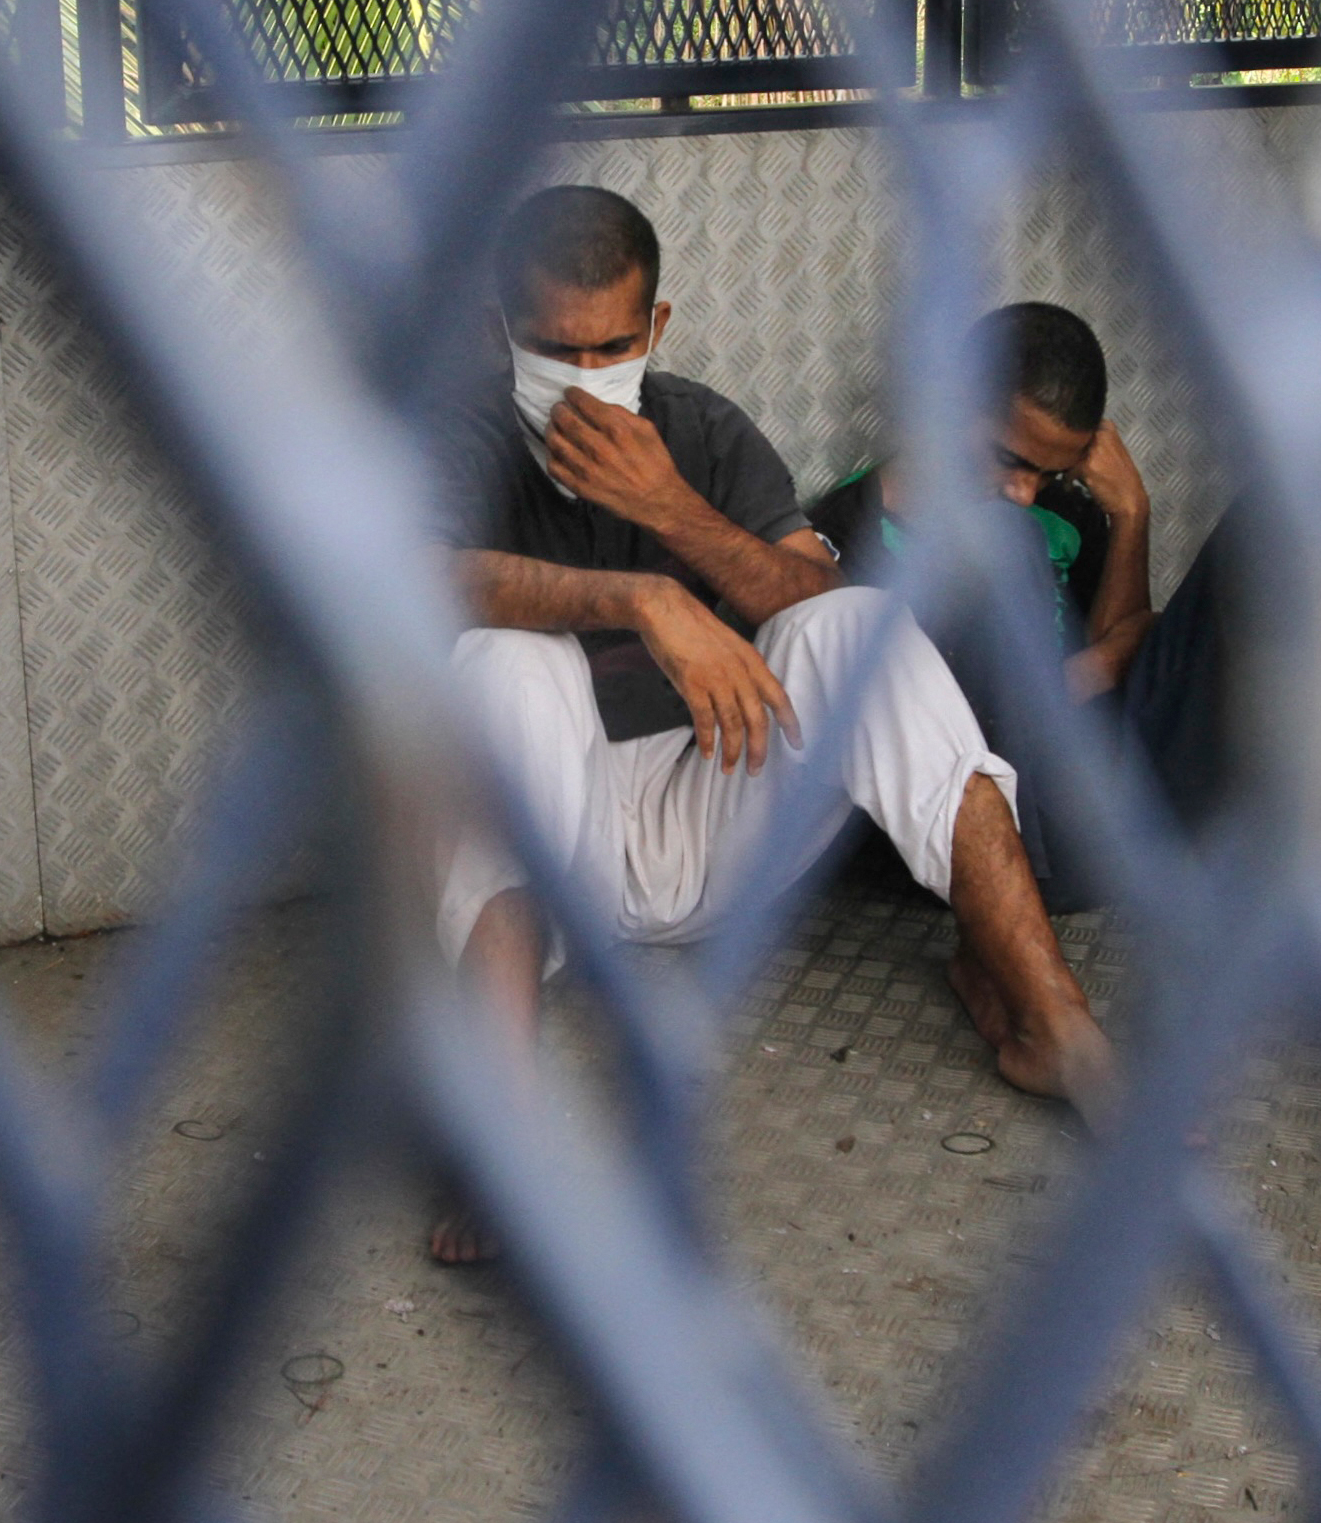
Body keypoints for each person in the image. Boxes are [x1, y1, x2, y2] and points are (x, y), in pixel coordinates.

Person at [429, 186, 1116, 1262]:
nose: (583, 370)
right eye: (551, 346)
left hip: (716, 808)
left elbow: (805, 598)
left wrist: (670, 515)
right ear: (494, 332)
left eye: (611, 343)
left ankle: (1053, 1023)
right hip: (550, 842)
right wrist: (636, 600)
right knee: (506, 666)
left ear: (654, 330)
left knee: (854, 624)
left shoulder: (700, 429)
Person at [810, 304, 1235, 884]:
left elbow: (1122, 649)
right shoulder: (845, 534)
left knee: (1260, 525)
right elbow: (929, 740)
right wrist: (1103, 664)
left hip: (1104, 786)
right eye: (1009, 459)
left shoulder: (1054, 511)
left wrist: (1131, 515)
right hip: (995, 830)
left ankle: (1295, 871)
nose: (1026, 493)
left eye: (1049, 473)